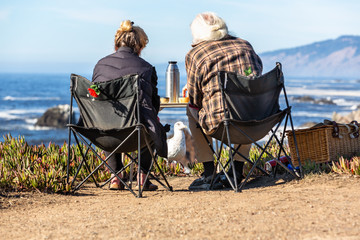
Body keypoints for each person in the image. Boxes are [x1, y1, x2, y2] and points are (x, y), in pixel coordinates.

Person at [183, 12, 263, 190]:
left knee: (191, 109)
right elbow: (257, 78)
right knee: (247, 106)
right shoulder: (245, 45)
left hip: (220, 123)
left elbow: (195, 99)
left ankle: (209, 173)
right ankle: (236, 170)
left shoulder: (197, 54)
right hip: (258, 120)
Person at [92, 20, 168, 191]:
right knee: (149, 120)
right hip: (136, 136)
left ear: (116, 43)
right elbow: (153, 104)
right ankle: (142, 177)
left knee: (108, 117)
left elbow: (96, 101)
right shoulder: (146, 68)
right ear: (140, 46)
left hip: (103, 135)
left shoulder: (100, 65)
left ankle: (115, 177)